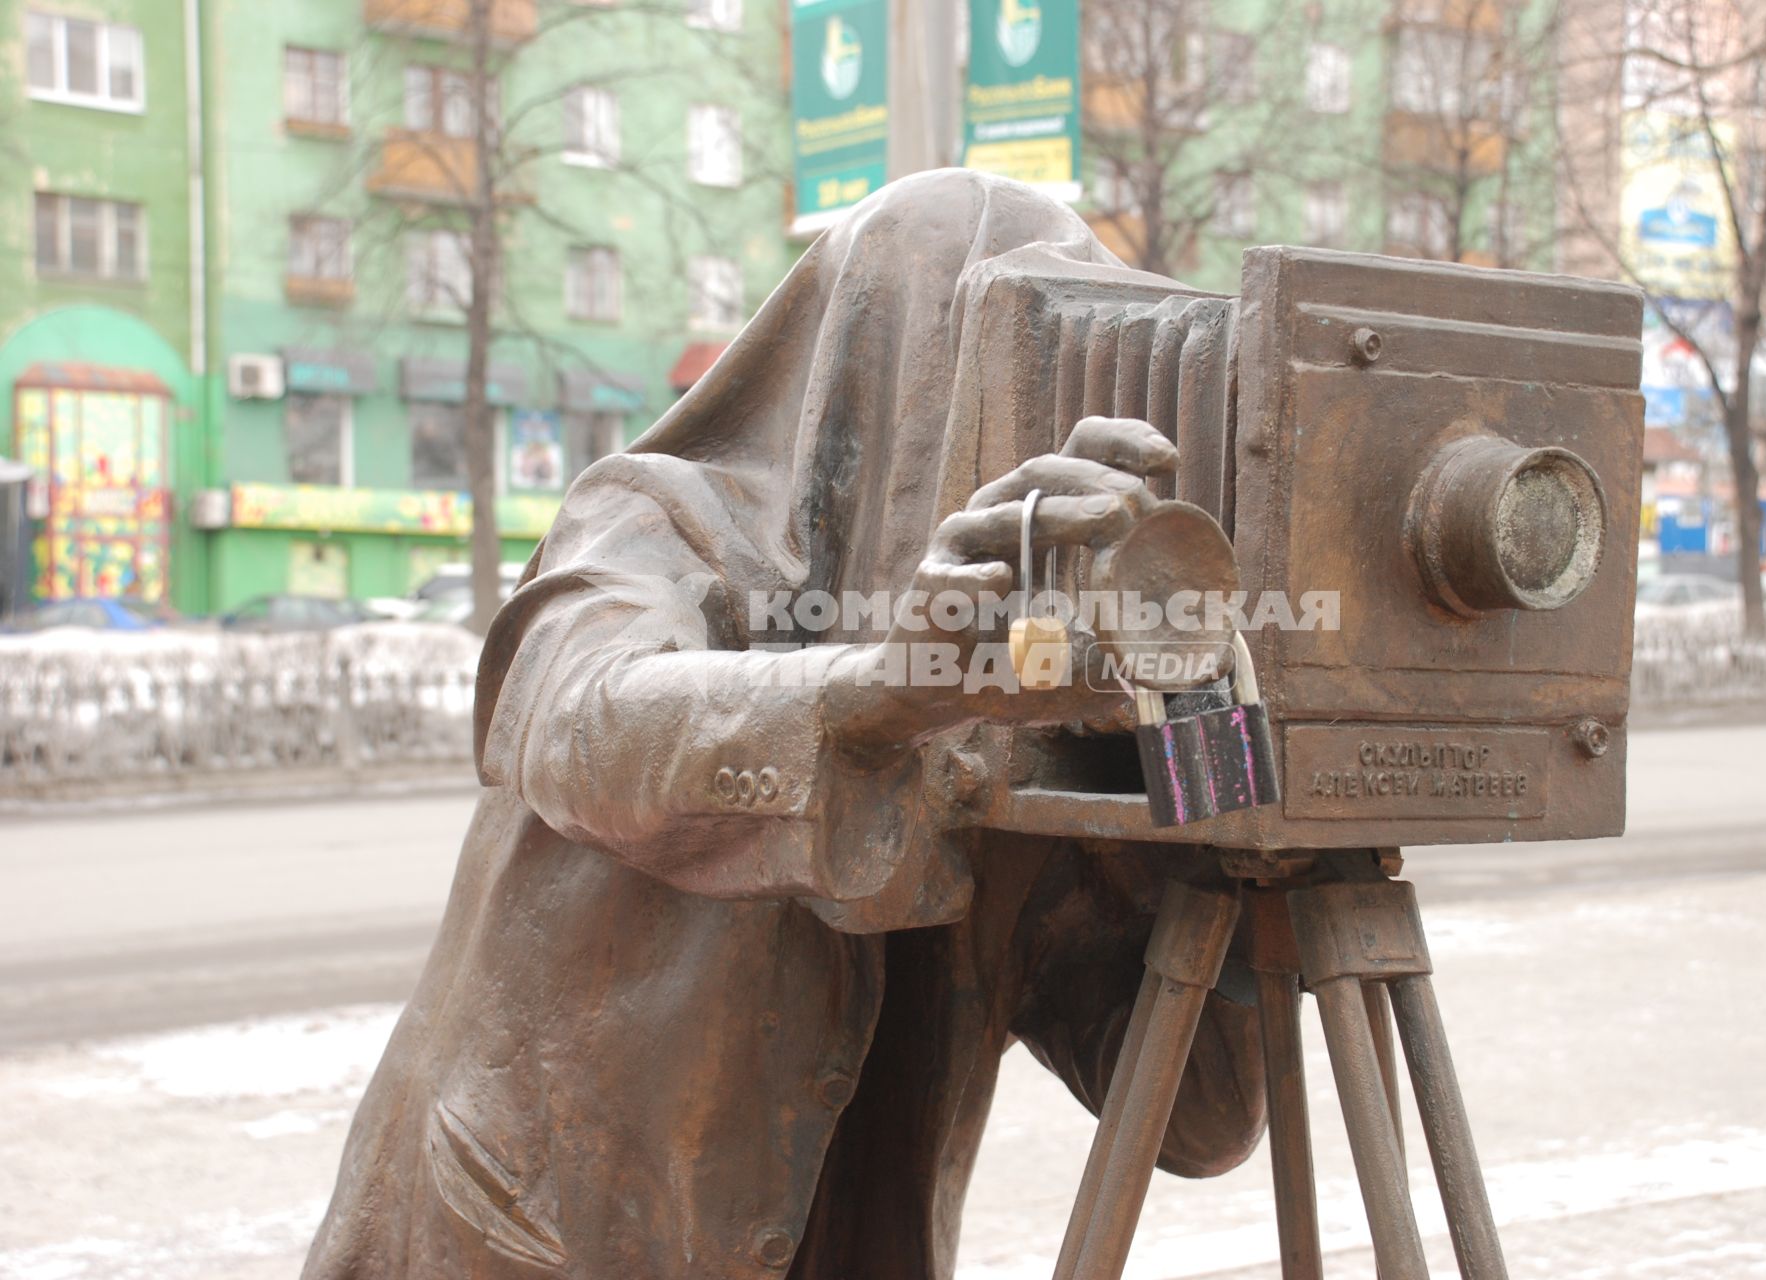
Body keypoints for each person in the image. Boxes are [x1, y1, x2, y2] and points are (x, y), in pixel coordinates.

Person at [303, 169, 1266, 1280]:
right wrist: (883, 690)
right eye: (1001, 375)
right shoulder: (658, 522)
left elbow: (1202, 1116)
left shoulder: (1020, 700)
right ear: (870, 369)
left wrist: (1214, 759)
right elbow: (577, 728)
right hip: (544, 1234)